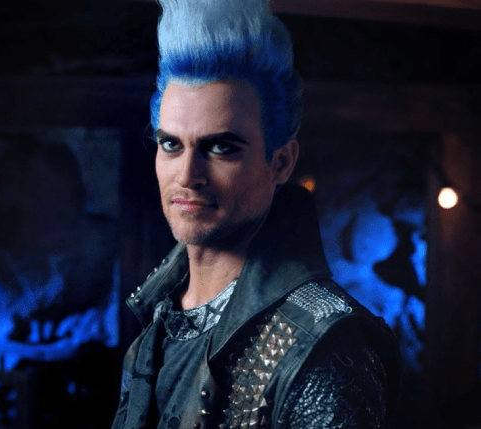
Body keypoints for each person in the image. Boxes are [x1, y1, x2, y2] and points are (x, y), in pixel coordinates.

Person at [112, 0, 401, 428]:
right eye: (171, 144)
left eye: (220, 147)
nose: (188, 175)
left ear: (281, 162)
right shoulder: (159, 316)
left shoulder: (325, 346)